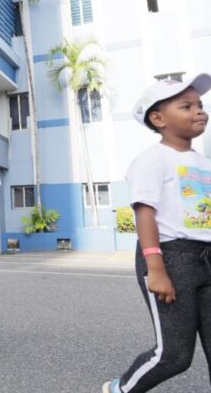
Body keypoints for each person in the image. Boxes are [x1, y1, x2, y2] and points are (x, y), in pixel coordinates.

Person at [102, 74, 211, 393]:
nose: (199, 111)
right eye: (187, 105)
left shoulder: (203, 163)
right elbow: (144, 213)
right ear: (158, 118)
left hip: (206, 257)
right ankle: (119, 390)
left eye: (201, 105)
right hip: (170, 258)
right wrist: (156, 269)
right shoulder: (151, 160)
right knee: (174, 355)